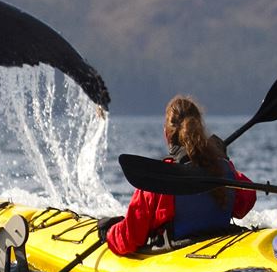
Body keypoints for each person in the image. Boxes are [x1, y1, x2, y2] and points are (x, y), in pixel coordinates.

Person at [104, 95, 256, 255]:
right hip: (220, 244)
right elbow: (245, 202)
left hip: (180, 256)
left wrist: (109, 234)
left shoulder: (160, 177)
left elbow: (130, 239)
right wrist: (220, 158)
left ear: (166, 134)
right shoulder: (224, 169)